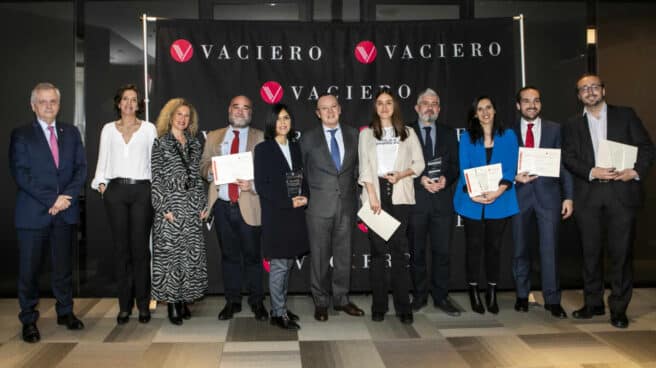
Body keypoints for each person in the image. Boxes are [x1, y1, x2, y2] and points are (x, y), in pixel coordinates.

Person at [562, 74, 655, 328]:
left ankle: (619, 308)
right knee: (590, 254)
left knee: (621, 255)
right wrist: (592, 171)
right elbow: (568, 158)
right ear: (579, 95)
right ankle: (593, 304)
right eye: (584, 89)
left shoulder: (626, 115)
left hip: (621, 195)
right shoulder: (571, 124)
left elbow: (647, 148)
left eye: (594, 87)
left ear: (603, 89)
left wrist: (634, 171)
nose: (590, 92)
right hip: (589, 196)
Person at [10, 82, 87, 343]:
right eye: (42, 102)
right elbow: (21, 174)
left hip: (64, 213)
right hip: (33, 214)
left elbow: (81, 169)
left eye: (52, 101)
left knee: (63, 268)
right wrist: (52, 200)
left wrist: (65, 199)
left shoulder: (71, 132)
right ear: (33, 106)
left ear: (59, 104)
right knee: (29, 271)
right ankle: (29, 320)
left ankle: (65, 312)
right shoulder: (21, 135)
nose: (48, 106)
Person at [91, 84, 157, 325]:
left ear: (139, 104)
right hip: (116, 190)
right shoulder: (108, 129)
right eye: (125, 99)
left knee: (140, 250)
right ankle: (124, 306)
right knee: (121, 251)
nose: (130, 104)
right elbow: (102, 158)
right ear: (119, 104)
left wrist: (154, 189)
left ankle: (143, 304)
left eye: (134, 100)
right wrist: (101, 184)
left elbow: (155, 162)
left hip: (142, 190)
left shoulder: (149, 129)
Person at [358, 89, 425, 324]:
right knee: (377, 254)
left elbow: (419, 164)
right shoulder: (366, 135)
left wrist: (401, 174)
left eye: (388, 103)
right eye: (380, 103)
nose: (384, 107)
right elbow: (365, 167)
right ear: (375, 107)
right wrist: (372, 196)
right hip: (376, 197)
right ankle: (379, 306)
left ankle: (403, 307)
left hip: (399, 196)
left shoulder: (408, 132)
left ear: (395, 106)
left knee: (398, 253)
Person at [200, 95, 268, 321]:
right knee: (229, 256)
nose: (240, 112)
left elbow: (268, 173)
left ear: (251, 113)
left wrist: (253, 184)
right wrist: (212, 171)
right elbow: (202, 166)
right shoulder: (214, 136)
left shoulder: (261, 138)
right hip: (221, 205)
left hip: (249, 203)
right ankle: (232, 301)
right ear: (229, 110)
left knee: (253, 257)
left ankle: (257, 302)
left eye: (245, 108)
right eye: (236, 107)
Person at [300, 93, 364, 322]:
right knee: (318, 257)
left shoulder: (354, 134)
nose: (329, 111)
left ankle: (342, 299)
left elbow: (359, 169)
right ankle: (320, 301)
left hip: (346, 206)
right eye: (324, 108)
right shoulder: (308, 138)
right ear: (317, 113)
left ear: (340, 108)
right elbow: (302, 173)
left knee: (344, 256)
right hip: (318, 208)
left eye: (333, 107)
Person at [453, 96, 519, 314]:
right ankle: (473, 289)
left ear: (495, 110)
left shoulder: (508, 135)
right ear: (475, 114)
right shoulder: (466, 137)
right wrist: (474, 193)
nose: (485, 112)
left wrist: (498, 191)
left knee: (494, 248)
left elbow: (511, 167)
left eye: (488, 107)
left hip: (500, 200)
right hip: (472, 201)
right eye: (480, 109)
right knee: (473, 248)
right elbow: (465, 168)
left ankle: (491, 291)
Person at [511, 86, 573, 318]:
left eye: (536, 101)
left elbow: (564, 165)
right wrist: (511, 176)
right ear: (518, 105)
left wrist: (568, 196)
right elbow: (504, 163)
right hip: (519, 196)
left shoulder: (555, 129)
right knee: (519, 248)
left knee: (550, 249)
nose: (532, 105)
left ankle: (553, 299)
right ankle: (521, 295)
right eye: (526, 101)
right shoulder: (508, 132)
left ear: (541, 104)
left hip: (549, 197)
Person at [151, 98, 208, 325]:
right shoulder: (160, 144)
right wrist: (163, 207)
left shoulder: (194, 144)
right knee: (171, 259)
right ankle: (173, 304)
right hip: (170, 210)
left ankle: (184, 299)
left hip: (192, 207)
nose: (183, 119)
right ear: (170, 116)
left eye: (187, 116)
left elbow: (196, 178)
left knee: (189, 258)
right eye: (179, 114)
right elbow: (156, 178)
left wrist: (203, 205)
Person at [254, 103, 310, 330]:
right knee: (278, 266)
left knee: (287, 264)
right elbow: (263, 186)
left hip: (294, 215)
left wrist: (305, 195)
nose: (283, 122)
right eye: (278, 119)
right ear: (271, 123)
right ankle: (277, 313)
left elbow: (301, 178)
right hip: (276, 214)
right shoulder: (263, 149)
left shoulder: (295, 147)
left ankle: (281, 307)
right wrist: (288, 202)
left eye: (286, 118)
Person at [407, 88, 460, 316]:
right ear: (417, 108)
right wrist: (420, 180)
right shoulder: (405, 132)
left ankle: (441, 297)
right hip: (417, 202)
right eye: (425, 103)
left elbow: (455, 166)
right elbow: (401, 165)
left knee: (442, 253)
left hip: (442, 202)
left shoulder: (449, 133)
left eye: (434, 104)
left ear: (439, 108)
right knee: (416, 252)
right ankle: (419, 296)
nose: (430, 107)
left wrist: (446, 179)